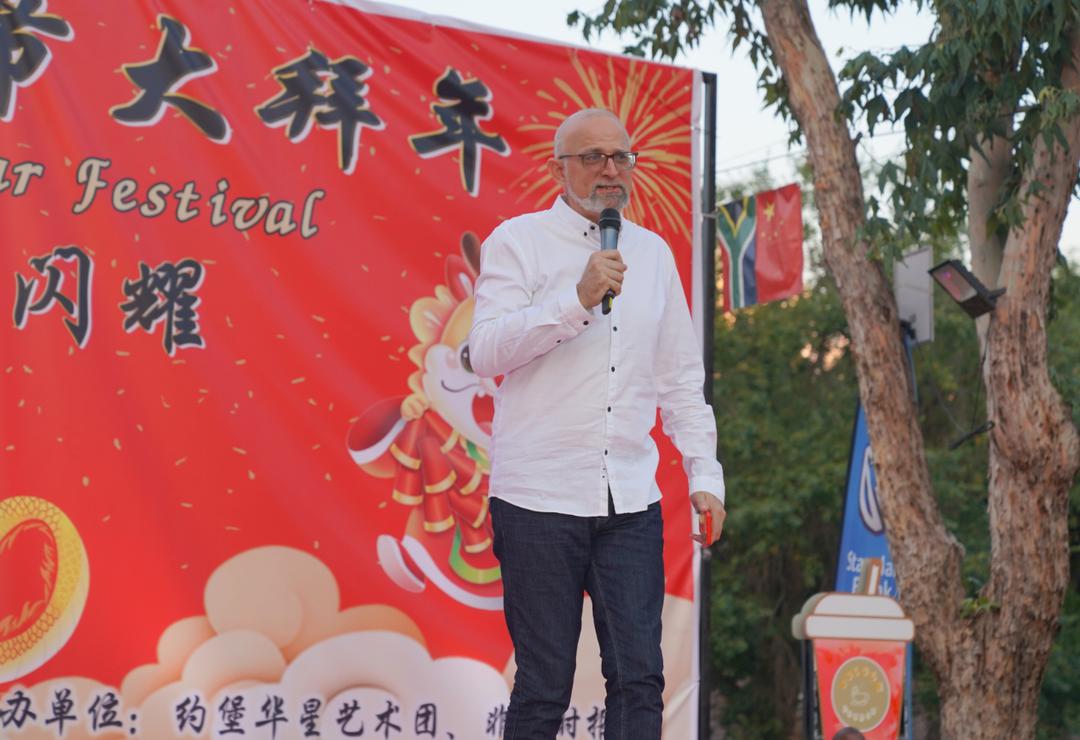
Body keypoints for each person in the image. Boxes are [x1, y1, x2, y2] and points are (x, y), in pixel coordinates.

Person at [468, 107, 726, 739]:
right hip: (537, 497)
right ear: (559, 168)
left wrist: (705, 474)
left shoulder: (654, 254)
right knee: (543, 684)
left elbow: (679, 377)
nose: (610, 170)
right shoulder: (518, 241)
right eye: (592, 157)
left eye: (621, 157)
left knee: (640, 678)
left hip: (630, 500)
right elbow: (486, 351)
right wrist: (576, 299)